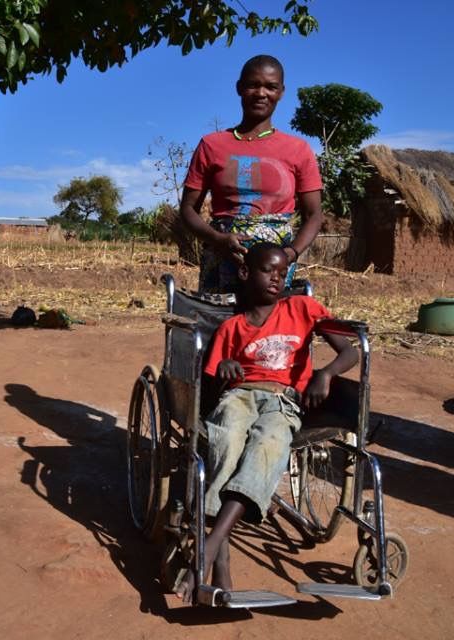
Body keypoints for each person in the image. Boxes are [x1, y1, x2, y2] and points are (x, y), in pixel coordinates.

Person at [175, 243, 358, 600]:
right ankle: (221, 558)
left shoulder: (302, 308)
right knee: (226, 440)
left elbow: (350, 351)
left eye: (282, 272)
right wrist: (225, 371)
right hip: (239, 396)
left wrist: (325, 374)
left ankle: (209, 548)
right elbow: (212, 387)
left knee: (269, 444)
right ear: (245, 273)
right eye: (267, 271)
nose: (276, 278)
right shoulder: (231, 327)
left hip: (283, 400)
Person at [179, 55, 324, 298]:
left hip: (276, 266)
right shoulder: (212, 145)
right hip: (221, 258)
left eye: (270, 86)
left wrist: (290, 254)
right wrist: (218, 240)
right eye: (252, 85)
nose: (261, 93)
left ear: (281, 92)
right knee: (219, 326)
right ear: (239, 88)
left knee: (270, 331)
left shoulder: (298, 150)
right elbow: (187, 210)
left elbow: (314, 214)